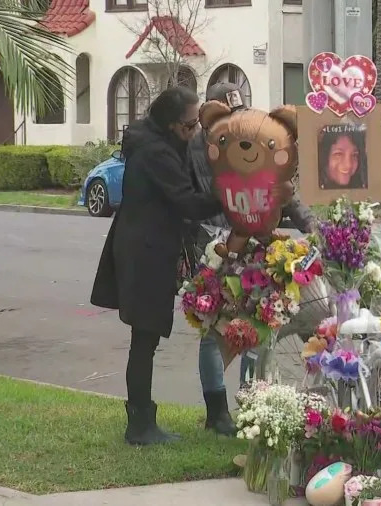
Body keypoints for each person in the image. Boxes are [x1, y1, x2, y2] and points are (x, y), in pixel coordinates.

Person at [90, 87, 223, 446]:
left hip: (144, 245)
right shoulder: (156, 152)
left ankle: (142, 419)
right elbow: (188, 202)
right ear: (170, 123)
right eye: (190, 124)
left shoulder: (160, 142)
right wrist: (227, 191)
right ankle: (140, 425)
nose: (194, 130)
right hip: (144, 253)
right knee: (144, 338)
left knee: (143, 339)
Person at [186, 82, 316, 435]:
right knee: (216, 332)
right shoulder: (200, 149)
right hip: (215, 248)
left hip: (254, 253)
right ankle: (219, 409)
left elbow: (287, 199)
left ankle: (249, 400)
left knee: (257, 326)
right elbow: (192, 198)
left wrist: (314, 228)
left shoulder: (254, 150)